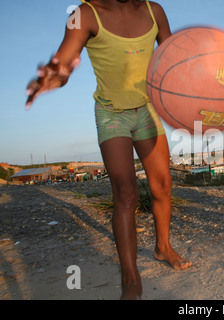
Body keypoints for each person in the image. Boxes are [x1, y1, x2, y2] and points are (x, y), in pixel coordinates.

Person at [26, 0, 191, 300]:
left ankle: (163, 247)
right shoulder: (85, 14)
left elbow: (172, 57)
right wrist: (53, 76)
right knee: (125, 193)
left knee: (163, 185)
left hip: (148, 110)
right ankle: (130, 276)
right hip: (111, 112)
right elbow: (63, 62)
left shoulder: (155, 11)